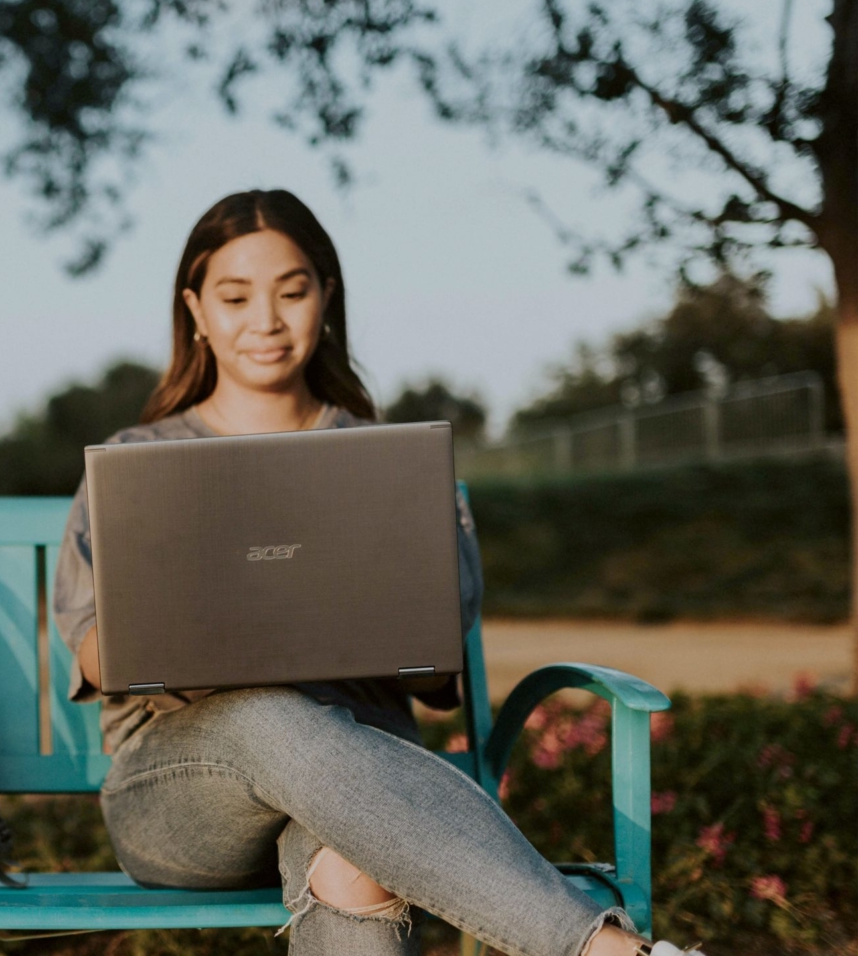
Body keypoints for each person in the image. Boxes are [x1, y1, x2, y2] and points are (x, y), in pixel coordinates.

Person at [52, 189, 706, 956]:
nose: (264, 320)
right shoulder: (136, 464)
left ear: (326, 299)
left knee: (354, 867)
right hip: (180, 796)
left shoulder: (392, 467)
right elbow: (98, 653)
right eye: (235, 297)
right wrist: (209, 649)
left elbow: (436, 672)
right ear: (195, 310)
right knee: (269, 715)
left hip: (365, 793)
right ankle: (602, 951)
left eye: (292, 292)